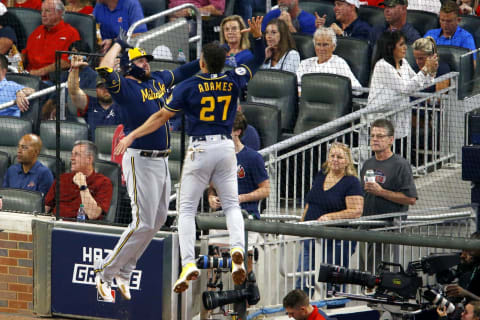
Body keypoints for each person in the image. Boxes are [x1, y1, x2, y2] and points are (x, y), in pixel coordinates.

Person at [113, 16, 266, 294]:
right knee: (232, 205)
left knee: (185, 210)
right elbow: (256, 59)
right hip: (225, 146)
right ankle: (237, 249)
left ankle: (187, 263)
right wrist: (257, 38)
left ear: (203, 63)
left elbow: (161, 116)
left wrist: (133, 134)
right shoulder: (234, 78)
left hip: (199, 148)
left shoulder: (188, 86)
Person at [92, 36, 201, 301]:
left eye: (146, 59)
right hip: (139, 158)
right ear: (130, 66)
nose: (146, 63)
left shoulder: (157, 80)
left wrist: (206, 59)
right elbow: (105, 68)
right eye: (140, 60)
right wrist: (118, 44)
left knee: (159, 219)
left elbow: (183, 71)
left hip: (162, 159)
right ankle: (104, 273)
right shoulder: (125, 87)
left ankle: (125, 272)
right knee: (142, 221)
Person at [297, 142, 363, 296]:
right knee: (303, 278)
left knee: (333, 284)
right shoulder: (321, 175)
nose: (335, 159)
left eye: (339, 157)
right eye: (332, 156)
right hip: (311, 236)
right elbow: (311, 201)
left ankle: (334, 314)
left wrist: (330, 217)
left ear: (347, 161)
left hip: (336, 241)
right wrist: (302, 222)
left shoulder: (351, 182)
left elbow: (356, 211)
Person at [358, 119, 417, 271]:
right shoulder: (368, 164)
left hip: (387, 228)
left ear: (391, 139)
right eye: (372, 136)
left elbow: (410, 198)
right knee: (365, 273)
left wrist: (381, 192)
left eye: (380, 136)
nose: (375, 139)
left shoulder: (400, 165)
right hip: (366, 226)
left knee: (381, 273)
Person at [367, 30, 438, 142]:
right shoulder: (382, 66)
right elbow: (405, 89)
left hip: (398, 120)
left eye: (405, 44)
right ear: (390, 47)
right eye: (401, 44)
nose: (405, 47)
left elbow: (418, 84)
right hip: (380, 122)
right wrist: (424, 70)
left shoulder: (403, 62)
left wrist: (431, 72)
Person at [207, 110, 270, 220]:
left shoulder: (253, 157)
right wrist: (211, 197)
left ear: (237, 131)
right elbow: (212, 187)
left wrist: (241, 198)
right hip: (220, 219)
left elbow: (265, 190)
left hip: (246, 218)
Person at [44, 140, 113, 220]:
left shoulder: (103, 183)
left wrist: (82, 185)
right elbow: (45, 209)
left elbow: (93, 214)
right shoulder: (62, 179)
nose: (72, 158)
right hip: (55, 225)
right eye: (72, 154)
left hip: (80, 228)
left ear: (89, 159)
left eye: (76, 155)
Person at [21, 0, 80, 80]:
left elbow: (67, 62)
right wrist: (17, 61)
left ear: (59, 13)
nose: (43, 15)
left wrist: (41, 71)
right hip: (28, 76)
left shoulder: (71, 33)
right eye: (42, 11)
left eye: (47, 11)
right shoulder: (38, 30)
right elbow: (25, 53)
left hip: (52, 80)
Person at [68, 57, 122, 141]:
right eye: (102, 87)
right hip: (94, 149)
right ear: (96, 89)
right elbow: (73, 91)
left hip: (120, 150)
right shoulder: (90, 103)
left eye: (109, 86)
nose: (106, 90)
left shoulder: (123, 104)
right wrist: (74, 69)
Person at [296, 27, 362, 90]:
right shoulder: (305, 64)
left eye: (325, 45)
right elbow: (295, 87)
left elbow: (357, 89)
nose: (321, 49)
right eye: (318, 44)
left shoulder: (339, 63)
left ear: (333, 47)